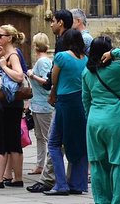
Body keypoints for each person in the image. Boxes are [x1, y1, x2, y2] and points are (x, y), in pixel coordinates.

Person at [83, 37, 120, 204]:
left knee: (98, 166)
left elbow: (85, 100)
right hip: (116, 121)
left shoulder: (86, 72)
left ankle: (102, 201)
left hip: (94, 122)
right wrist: (114, 53)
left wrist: (92, 119)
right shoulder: (115, 69)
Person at [27, 8, 74, 194]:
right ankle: (71, 180)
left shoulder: (63, 42)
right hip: (70, 97)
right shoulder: (69, 40)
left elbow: (57, 70)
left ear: (61, 22)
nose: (51, 24)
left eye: (53, 21)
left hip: (62, 97)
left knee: (54, 141)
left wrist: (50, 87)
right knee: (65, 141)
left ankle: (50, 179)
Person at [45, 29, 88, 195]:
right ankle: (78, 184)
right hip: (81, 102)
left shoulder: (61, 56)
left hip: (65, 101)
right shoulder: (86, 59)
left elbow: (54, 79)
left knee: (54, 143)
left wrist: (53, 94)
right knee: (79, 142)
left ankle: (61, 184)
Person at [0, 25, 26, 189]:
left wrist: (3, 66)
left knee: (4, 140)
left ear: (10, 37)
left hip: (8, 103)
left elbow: (19, 75)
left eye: (1, 35)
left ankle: (1, 178)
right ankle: (15, 177)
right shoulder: (10, 53)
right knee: (12, 140)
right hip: (12, 104)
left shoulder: (13, 54)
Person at [26, 32, 54, 176]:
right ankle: (40, 165)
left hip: (44, 105)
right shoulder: (43, 61)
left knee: (48, 137)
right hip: (37, 104)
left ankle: (50, 168)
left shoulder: (43, 62)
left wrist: (32, 75)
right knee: (40, 137)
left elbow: (47, 82)